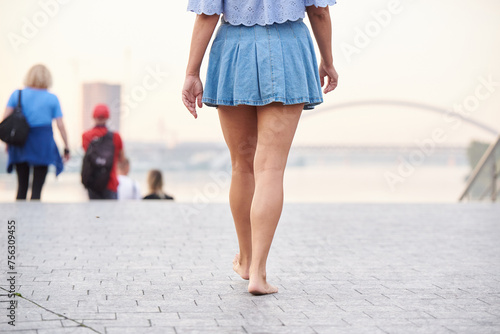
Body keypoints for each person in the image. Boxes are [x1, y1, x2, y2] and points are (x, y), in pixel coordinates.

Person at [182, 1, 339, 295]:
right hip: (288, 49)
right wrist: (327, 60)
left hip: (233, 50)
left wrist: (192, 73)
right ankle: (258, 273)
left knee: (241, 165)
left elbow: (207, 15)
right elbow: (319, 10)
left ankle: (246, 259)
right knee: (270, 168)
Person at [2, 64, 70, 200]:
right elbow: (60, 125)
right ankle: (36, 219)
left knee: (21, 188)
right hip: (42, 142)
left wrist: (8, 142)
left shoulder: (17, 94)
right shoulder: (52, 98)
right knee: (37, 190)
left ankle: (17, 220)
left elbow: (5, 120)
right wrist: (66, 146)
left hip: (21, 140)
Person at [82, 104, 124, 200]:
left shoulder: (86, 136)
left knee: (95, 214)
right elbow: (121, 159)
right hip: (111, 183)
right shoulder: (116, 136)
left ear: (93, 117)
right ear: (108, 117)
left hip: (92, 182)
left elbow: (89, 158)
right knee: (111, 214)